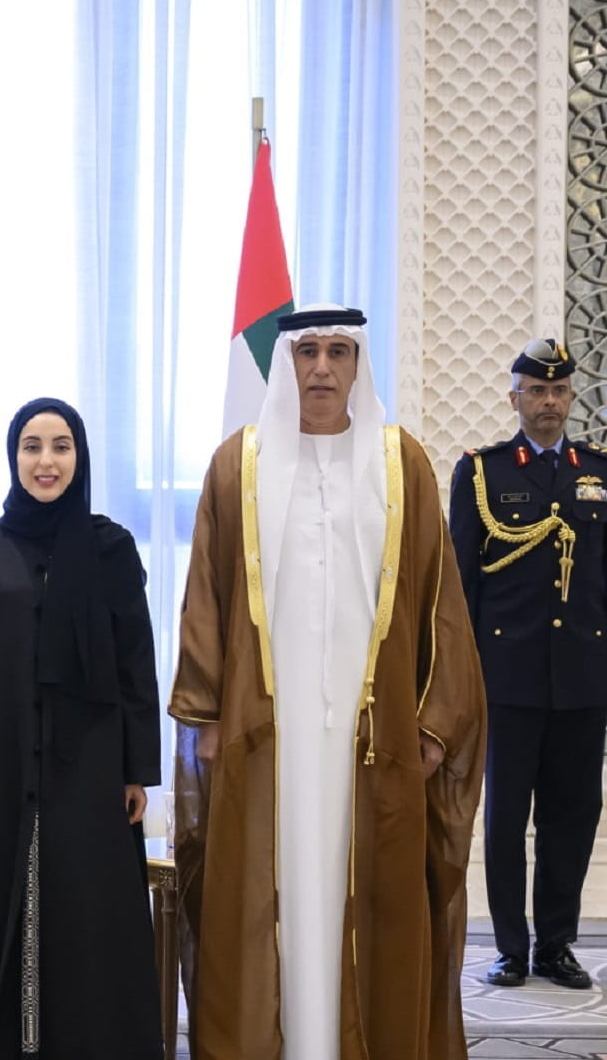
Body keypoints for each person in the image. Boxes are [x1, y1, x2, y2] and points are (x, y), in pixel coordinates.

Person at [169, 305, 485, 1059]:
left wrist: (434, 722)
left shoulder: (401, 463)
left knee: (374, 893)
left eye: (338, 352)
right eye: (307, 351)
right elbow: (205, 594)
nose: (321, 368)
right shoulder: (236, 465)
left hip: (373, 739)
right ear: (286, 364)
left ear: (358, 365)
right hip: (260, 734)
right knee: (259, 896)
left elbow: (442, 599)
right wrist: (206, 713)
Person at [0, 398, 162, 1058]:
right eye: (31, 446)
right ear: (13, 458)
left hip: (88, 766)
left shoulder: (110, 548)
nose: (46, 461)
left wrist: (134, 769)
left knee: (89, 915)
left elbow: (134, 662)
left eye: (61, 446)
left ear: (79, 458)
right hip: (1, 764)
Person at [448, 337, 607, 990]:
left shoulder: (597, 471)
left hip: (582, 677)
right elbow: (461, 585)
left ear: (572, 397)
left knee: (573, 817)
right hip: (507, 679)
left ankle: (558, 944)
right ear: (515, 398)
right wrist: (462, 678)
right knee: (508, 818)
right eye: (536, 391)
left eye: (559, 391)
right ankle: (512, 946)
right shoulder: (484, 474)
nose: (549, 402)